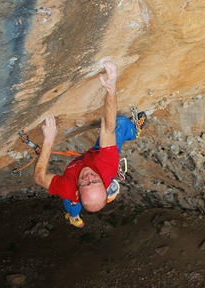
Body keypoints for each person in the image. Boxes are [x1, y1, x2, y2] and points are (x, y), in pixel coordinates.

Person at [34, 61, 146, 228]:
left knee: (71, 203)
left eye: (85, 183)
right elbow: (108, 128)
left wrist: (48, 141)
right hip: (96, 156)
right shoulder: (107, 165)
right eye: (94, 181)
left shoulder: (69, 189)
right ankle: (132, 131)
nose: (88, 177)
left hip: (79, 182)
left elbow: (39, 178)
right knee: (120, 123)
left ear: (78, 190)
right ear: (102, 182)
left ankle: (74, 216)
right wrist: (111, 89)